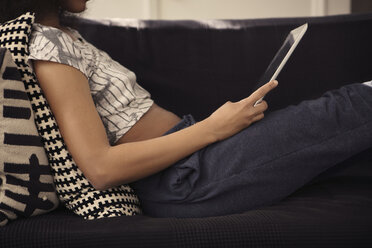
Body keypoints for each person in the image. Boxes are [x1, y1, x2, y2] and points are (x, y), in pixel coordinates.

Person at [1, 0, 371, 218]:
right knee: (342, 110)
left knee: (343, 140)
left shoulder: (65, 37)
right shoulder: (46, 45)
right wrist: (215, 128)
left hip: (192, 156)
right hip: (181, 178)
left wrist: (214, 131)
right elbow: (100, 168)